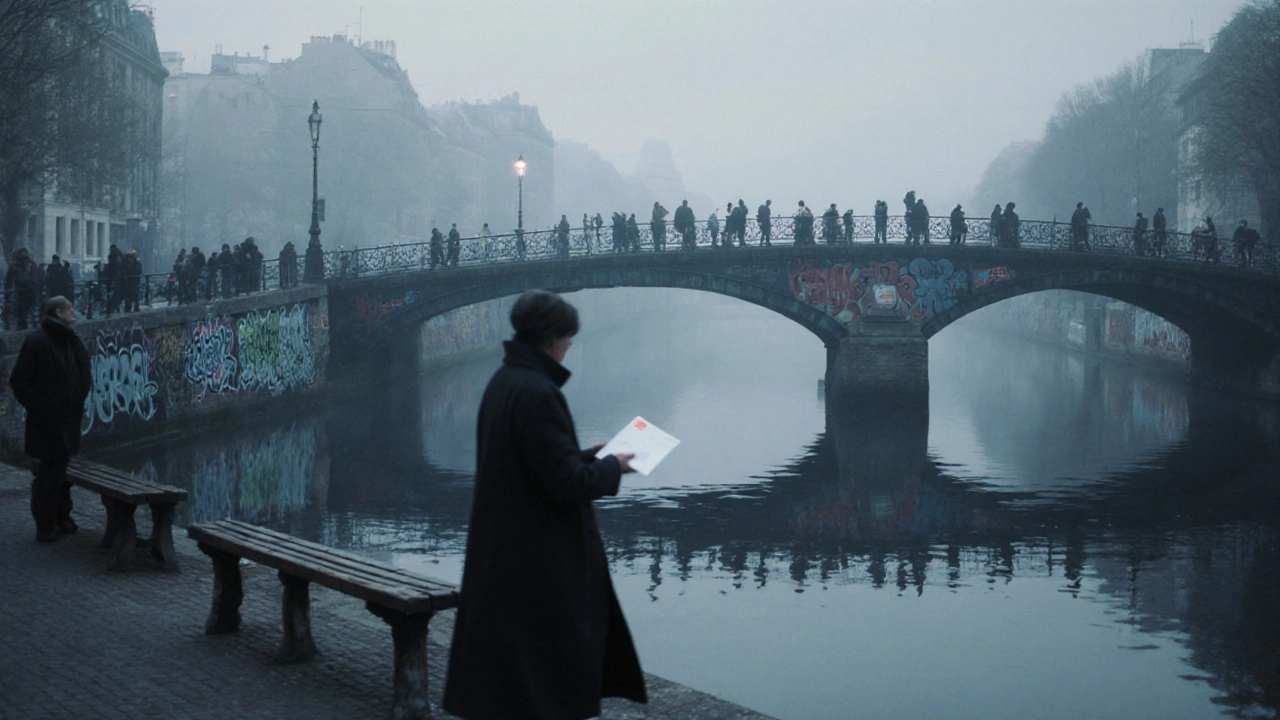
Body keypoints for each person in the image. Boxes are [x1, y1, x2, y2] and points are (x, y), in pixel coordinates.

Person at [443, 290, 647, 720]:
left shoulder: (504, 381)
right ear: (553, 337)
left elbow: (529, 463)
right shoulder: (539, 393)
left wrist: (590, 455)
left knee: (512, 678)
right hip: (538, 559)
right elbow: (564, 484)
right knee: (545, 675)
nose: (570, 345)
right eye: (569, 336)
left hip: (505, 550)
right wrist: (612, 468)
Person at [9, 296, 91, 543]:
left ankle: (61, 517)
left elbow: (82, 370)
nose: (73, 312)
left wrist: (78, 398)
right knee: (47, 476)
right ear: (58, 312)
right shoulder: (38, 342)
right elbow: (19, 381)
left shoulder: (70, 339)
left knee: (61, 473)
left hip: (67, 420)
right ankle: (45, 525)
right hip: (47, 423)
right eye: (69, 309)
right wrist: (41, 407)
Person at [5, 248, 40, 329]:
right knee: (30, 312)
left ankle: (21, 326)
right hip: (30, 291)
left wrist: (8, 292)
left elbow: (9, 281)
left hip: (21, 292)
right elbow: (36, 279)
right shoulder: (32, 263)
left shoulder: (15, 265)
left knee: (21, 313)